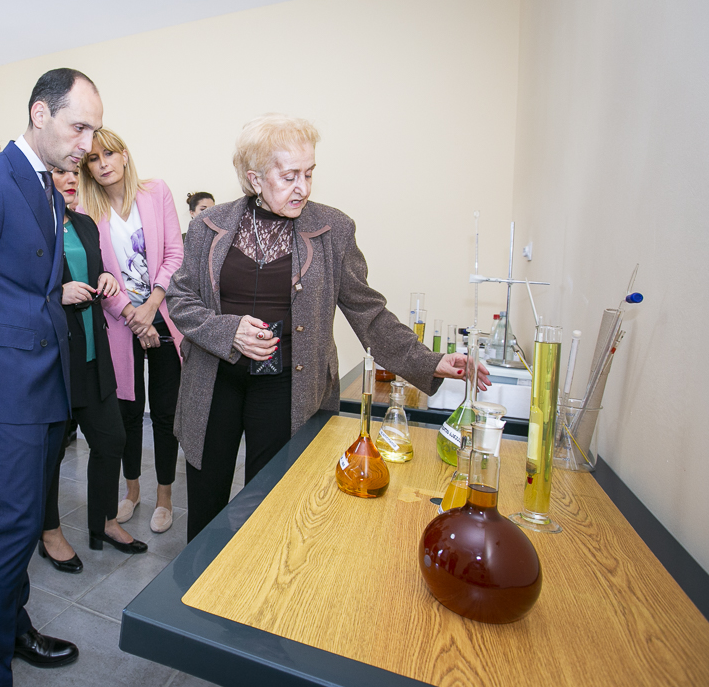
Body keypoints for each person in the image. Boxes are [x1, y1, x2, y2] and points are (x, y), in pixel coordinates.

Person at [167, 113, 491, 542]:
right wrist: (229, 332)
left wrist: (429, 361)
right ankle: (198, 580)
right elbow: (180, 298)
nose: (303, 187)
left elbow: (368, 311)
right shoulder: (209, 225)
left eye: (309, 173)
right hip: (214, 382)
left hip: (286, 387)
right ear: (255, 178)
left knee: (270, 505)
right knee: (206, 506)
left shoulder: (333, 229)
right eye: (289, 176)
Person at [0, 68, 103, 685]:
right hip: (10, 379)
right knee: (12, 525)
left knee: (28, 519)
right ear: (40, 113)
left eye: (94, 130)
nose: (87, 144)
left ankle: (14, 628)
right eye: (78, 127)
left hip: (48, 375)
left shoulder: (50, 192)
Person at [38, 167, 147, 573]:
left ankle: (104, 521)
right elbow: (12, 286)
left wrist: (105, 277)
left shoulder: (84, 223)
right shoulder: (32, 225)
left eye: (74, 173)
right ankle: (48, 531)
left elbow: (96, 268)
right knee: (49, 453)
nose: (70, 179)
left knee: (111, 439)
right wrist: (56, 293)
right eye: (59, 172)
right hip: (53, 360)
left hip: (92, 353)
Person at [79, 129, 184, 534]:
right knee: (127, 412)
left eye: (108, 154)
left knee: (165, 412)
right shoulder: (86, 210)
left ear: (124, 155)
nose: (102, 163)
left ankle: (165, 497)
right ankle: (133, 490)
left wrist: (151, 306)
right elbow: (96, 274)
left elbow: (174, 254)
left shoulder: (156, 192)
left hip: (162, 316)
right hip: (120, 324)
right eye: (93, 158)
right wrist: (131, 314)